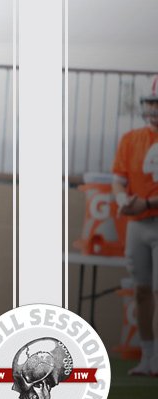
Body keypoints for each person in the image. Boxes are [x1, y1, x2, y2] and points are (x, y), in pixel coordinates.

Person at [114, 74, 158, 376]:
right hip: (138, 223)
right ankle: (148, 355)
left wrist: (149, 203)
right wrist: (122, 200)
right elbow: (119, 179)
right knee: (141, 291)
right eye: (151, 103)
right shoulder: (131, 139)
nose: (153, 109)